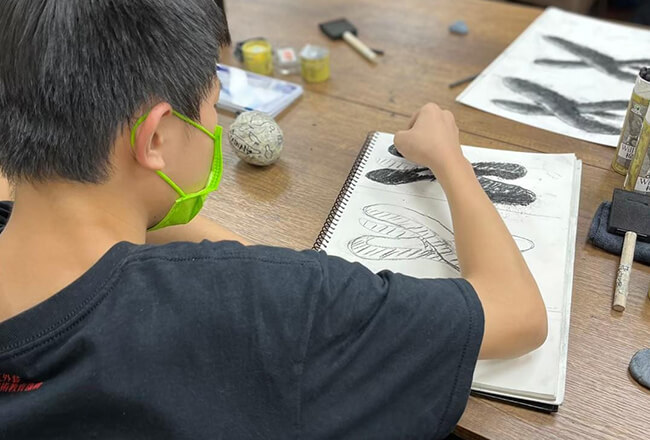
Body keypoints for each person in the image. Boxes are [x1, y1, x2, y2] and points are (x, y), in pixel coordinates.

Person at [0, 1, 547, 438]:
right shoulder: (274, 305)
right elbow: (517, 314)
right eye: (214, 104)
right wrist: (448, 158)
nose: (216, 125)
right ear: (157, 137)